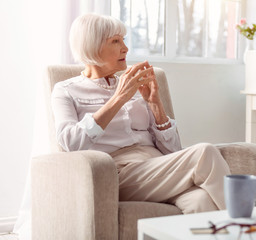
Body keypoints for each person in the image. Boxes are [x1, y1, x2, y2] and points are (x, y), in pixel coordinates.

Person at [51, 13, 230, 214]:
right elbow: (70, 143)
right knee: (204, 153)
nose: (125, 48)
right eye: (116, 41)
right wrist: (118, 98)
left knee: (201, 200)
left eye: (124, 40)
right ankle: (250, 227)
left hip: (158, 167)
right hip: (118, 174)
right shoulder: (66, 90)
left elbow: (173, 152)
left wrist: (155, 104)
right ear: (92, 46)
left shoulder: (133, 85)